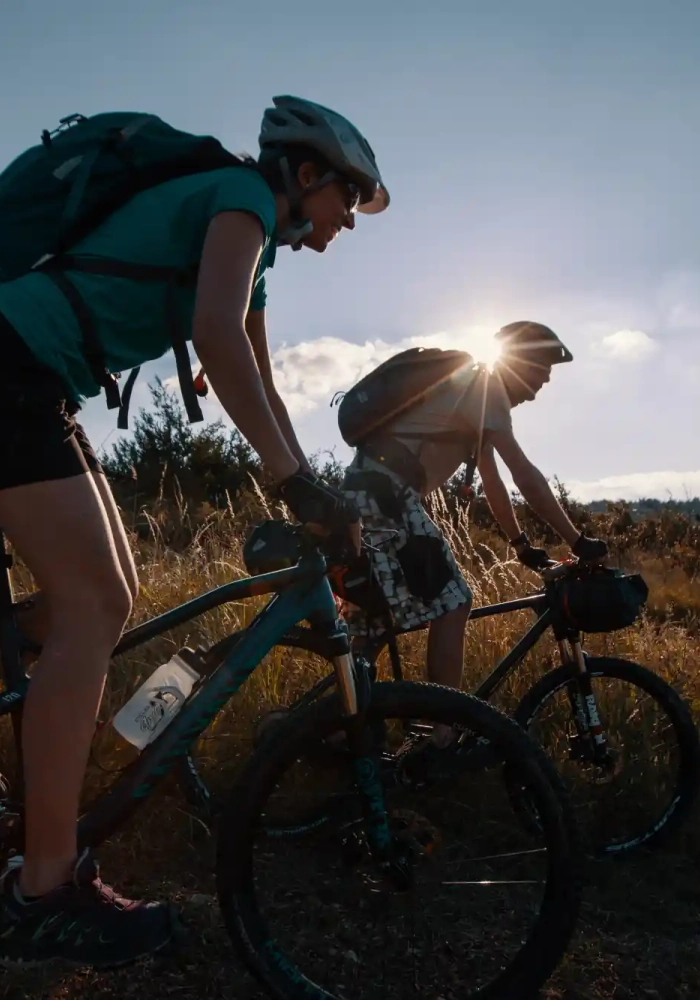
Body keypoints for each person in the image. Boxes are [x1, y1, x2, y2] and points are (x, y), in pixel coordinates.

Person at [0, 95, 383, 967]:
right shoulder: (240, 198)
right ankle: (45, 891)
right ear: (308, 173)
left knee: (101, 600)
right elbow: (213, 337)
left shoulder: (252, 254)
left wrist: (309, 488)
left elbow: (261, 377)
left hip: (35, 378)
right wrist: (293, 484)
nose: (345, 224)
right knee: (94, 601)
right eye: (347, 201)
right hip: (12, 364)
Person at [340, 321, 609, 748]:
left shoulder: (471, 398)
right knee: (456, 602)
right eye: (541, 373)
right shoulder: (487, 388)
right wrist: (577, 541)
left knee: (375, 623)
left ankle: (340, 726)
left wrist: (520, 545)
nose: (540, 388)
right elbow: (523, 472)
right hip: (384, 493)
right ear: (520, 362)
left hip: (366, 491)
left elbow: (495, 481)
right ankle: (443, 732)